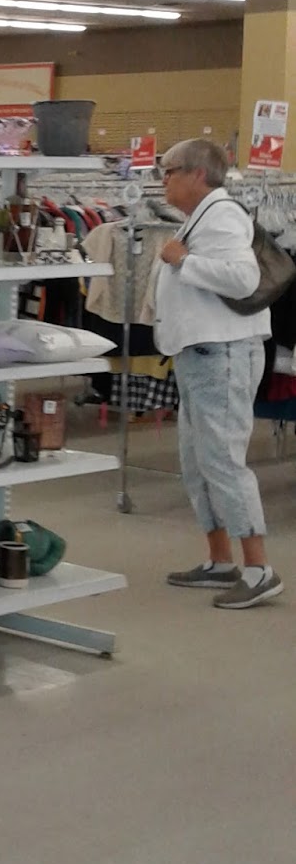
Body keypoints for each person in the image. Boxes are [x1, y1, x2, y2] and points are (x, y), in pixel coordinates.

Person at [155, 138, 281, 608]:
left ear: (197, 174)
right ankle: (221, 559)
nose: (163, 181)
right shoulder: (202, 216)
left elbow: (243, 278)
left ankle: (259, 568)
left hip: (221, 353)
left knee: (224, 462)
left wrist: (183, 260)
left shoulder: (222, 214)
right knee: (198, 462)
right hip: (202, 353)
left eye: (169, 171)